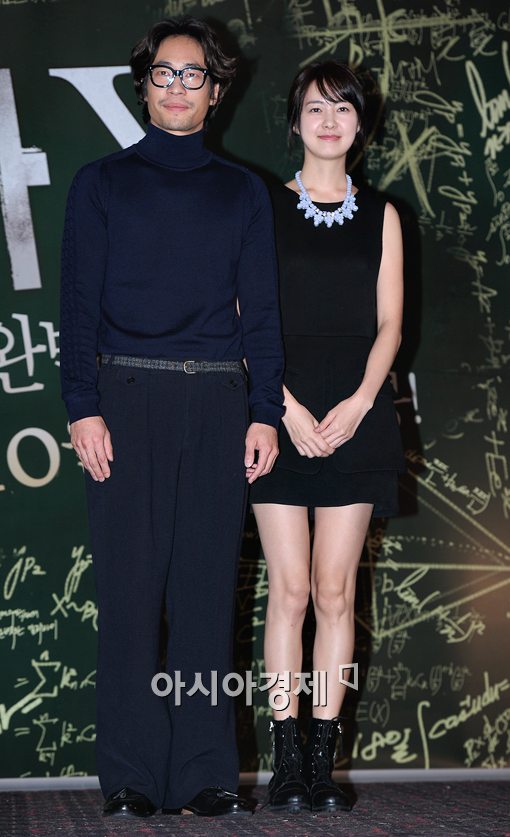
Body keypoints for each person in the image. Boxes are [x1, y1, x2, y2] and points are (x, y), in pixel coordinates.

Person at [60, 16, 284, 819]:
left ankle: (203, 772)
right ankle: (128, 774)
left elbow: (262, 314)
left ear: (216, 93)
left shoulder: (242, 191)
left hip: (218, 402)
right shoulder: (100, 184)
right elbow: (76, 306)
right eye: (165, 73)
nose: (179, 86)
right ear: (143, 85)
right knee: (128, 597)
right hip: (125, 401)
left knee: (204, 596)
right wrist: (82, 407)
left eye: (195, 75)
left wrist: (264, 411)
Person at [250, 60, 406, 814]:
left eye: (343, 108)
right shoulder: (263, 209)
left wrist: (360, 404)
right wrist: (282, 407)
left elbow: (391, 324)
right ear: (296, 121)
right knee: (289, 589)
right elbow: (244, 318)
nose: (330, 120)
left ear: (360, 124)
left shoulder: (382, 214)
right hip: (278, 417)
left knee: (335, 590)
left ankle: (322, 763)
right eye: (316, 108)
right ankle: (285, 763)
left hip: (357, 415)